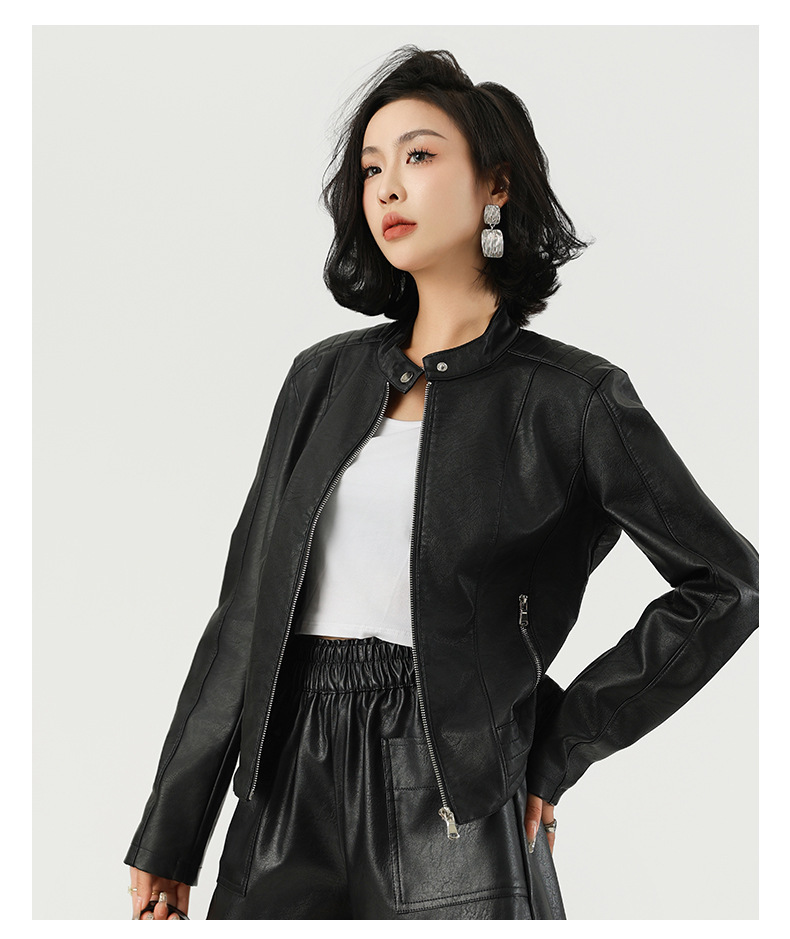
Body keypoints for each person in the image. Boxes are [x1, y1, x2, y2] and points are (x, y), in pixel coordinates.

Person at [124, 46, 759, 920]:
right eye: (370, 168)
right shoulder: (322, 378)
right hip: (283, 783)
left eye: (418, 156)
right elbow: (245, 615)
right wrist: (172, 828)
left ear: (495, 184)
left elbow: (726, 585)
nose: (387, 187)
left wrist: (561, 744)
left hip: (453, 787)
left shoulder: (571, 399)